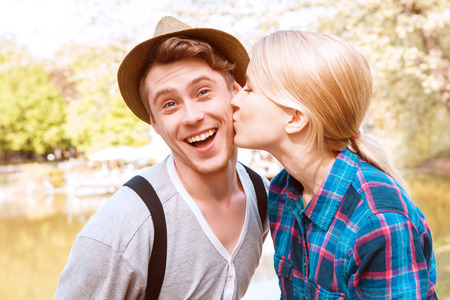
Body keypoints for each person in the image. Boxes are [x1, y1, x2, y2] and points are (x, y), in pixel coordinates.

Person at [55, 16, 269, 300]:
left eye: (203, 91)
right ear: (154, 123)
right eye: (169, 104)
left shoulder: (264, 197)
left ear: (235, 93)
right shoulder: (125, 227)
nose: (192, 116)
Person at [231, 30, 437, 299]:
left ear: (294, 118)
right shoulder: (283, 191)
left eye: (248, 89)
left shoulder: (378, 223)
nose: (235, 101)